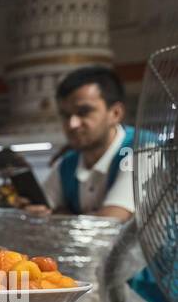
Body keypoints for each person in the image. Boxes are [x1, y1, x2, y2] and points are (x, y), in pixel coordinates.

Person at [22, 66, 133, 222]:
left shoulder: (141, 150)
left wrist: (60, 215)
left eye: (84, 112)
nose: (72, 124)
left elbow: (108, 225)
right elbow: (40, 216)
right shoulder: (67, 164)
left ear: (115, 113)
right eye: (65, 115)